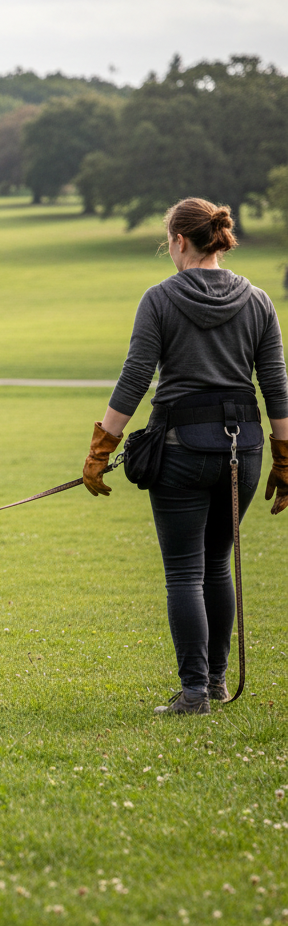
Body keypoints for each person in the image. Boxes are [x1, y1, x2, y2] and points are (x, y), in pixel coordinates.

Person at [81, 197, 288, 715]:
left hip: (181, 449)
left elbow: (135, 378)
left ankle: (195, 692)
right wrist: (285, 460)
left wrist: (101, 447)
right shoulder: (259, 300)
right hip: (246, 449)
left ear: (178, 241)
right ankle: (215, 684)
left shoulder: (160, 299)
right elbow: (277, 388)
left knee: (183, 572)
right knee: (217, 563)